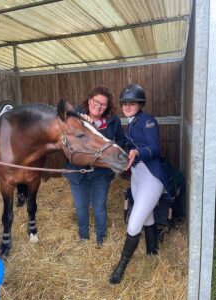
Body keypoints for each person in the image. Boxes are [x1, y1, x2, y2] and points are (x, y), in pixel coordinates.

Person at [109, 84, 170, 284]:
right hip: (137, 177)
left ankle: (121, 267)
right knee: (147, 216)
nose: (127, 106)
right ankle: (152, 252)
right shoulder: (131, 123)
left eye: (132, 103)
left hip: (151, 178)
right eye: (124, 103)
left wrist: (138, 152)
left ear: (140, 104)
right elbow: (129, 146)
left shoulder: (148, 121)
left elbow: (154, 147)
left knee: (134, 223)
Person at [63, 86, 125, 246]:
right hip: (77, 173)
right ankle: (84, 238)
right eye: (96, 101)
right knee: (81, 207)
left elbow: (120, 142)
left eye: (103, 104)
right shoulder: (75, 118)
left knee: (99, 207)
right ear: (90, 100)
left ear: (107, 107)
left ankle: (101, 239)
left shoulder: (113, 121)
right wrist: (82, 122)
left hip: (101, 173)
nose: (98, 106)